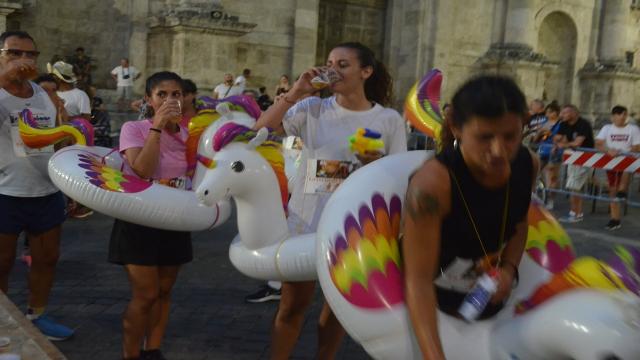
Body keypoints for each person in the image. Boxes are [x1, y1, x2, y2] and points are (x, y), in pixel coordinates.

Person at [255, 41, 407, 359]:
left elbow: (398, 177)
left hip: (356, 225)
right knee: (291, 306)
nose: (332, 70)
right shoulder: (311, 109)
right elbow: (261, 129)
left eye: (343, 64)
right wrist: (296, 92)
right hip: (307, 220)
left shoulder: (388, 120)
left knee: (338, 308)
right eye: (329, 63)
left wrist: (369, 169)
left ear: (366, 72)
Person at [403, 76, 538, 359]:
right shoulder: (431, 186)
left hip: (492, 288)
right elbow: (418, 281)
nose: (499, 151)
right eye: (485, 137)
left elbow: (520, 222)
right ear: (456, 128)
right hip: (437, 294)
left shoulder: (528, 163)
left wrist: (509, 269)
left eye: (510, 136)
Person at [109, 71, 191, 360]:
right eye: (162, 95)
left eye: (176, 94)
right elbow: (141, 169)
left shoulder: (188, 134)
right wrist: (157, 127)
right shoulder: (135, 128)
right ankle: (130, 354)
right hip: (139, 218)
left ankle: (152, 349)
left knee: (165, 290)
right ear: (149, 99)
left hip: (175, 217)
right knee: (145, 294)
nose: (171, 100)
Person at [0, 30, 74, 341]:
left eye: (30, 54)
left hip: (45, 190)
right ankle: (3, 322)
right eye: (14, 53)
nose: (24, 60)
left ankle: (37, 315)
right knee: (1, 264)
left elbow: (57, 136)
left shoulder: (43, 93)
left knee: (47, 258)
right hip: (5, 192)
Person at [48, 60, 94, 219]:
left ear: (59, 78)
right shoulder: (51, 93)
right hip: (55, 132)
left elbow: (86, 117)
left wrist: (67, 122)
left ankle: (78, 203)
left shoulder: (79, 94)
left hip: (74, 133)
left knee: (75, 167)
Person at [595, 105, 640, 230]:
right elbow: (598, 143)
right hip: (611, 162)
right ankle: (615, 219)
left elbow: (637, 146)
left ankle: (622, 191)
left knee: (626, 170)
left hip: (627, 161)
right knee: (612, 191)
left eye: (624, 115)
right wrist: (608, 150)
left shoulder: (633, 129)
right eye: (619, 115)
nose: (622, 117)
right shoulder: (607, 128)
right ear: (613, 117)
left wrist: (621, 151)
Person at [555, 104, 595, 223]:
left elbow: (577, 142)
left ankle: (576, 214)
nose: (562, 115)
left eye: (565, 113)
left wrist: (564, 144)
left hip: (585, 158)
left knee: (574, 186)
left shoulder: (584, 124)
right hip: (573, 158)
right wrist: (558, 142)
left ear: (573, 113)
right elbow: (557, 138)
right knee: (573, 186)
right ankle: (575, 212)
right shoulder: (563, 123)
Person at [533, 101, 562, 209]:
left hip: (555, 152)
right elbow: (536, 139)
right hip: (543, 150)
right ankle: (536, 195)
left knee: (551, 176)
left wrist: (549, 132)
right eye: (546, 112)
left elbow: (559, 139)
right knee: (535, 171)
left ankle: (551, 200)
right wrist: (539, 132)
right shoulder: (544, 122)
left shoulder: (560, 124)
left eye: (550, 112)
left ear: (556, 113)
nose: (547, 114)